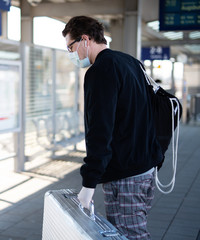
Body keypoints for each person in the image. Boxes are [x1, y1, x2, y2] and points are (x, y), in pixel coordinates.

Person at [62, 16, 163, 239]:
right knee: (136, 228)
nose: (71, 53)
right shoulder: (131, 62)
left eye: (70, 47)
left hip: (126, 174)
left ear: (85, 39)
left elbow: (100, 130)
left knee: (129, 235)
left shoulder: (100, 71)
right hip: (146, 166)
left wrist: (89, 183)